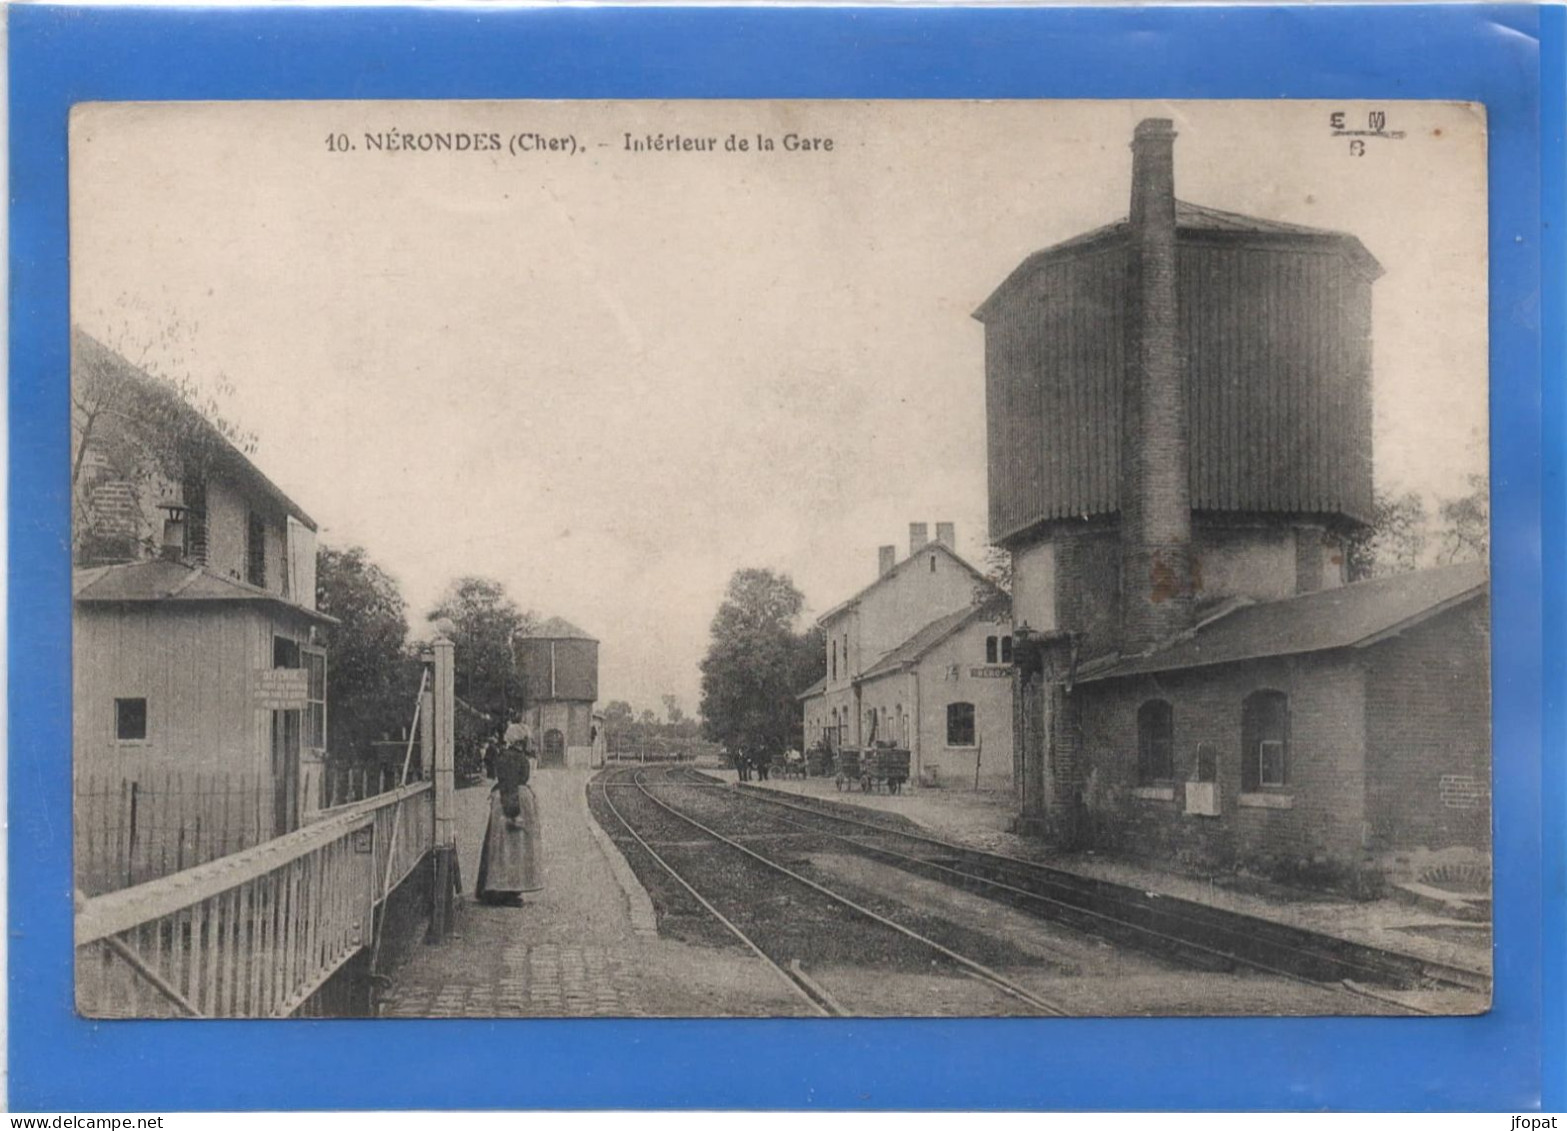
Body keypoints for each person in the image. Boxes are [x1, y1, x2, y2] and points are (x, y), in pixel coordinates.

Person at [476, 725, 543, 905]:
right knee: (509, 849)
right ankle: (504, 891)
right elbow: (510, 786)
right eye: (526, 740)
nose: (528, 743)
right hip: (510, 803)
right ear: (520, 741)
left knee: (507, 848)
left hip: (508, 801)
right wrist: (513, 814)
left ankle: (508, 889)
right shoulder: (513, 758)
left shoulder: (508, 756)